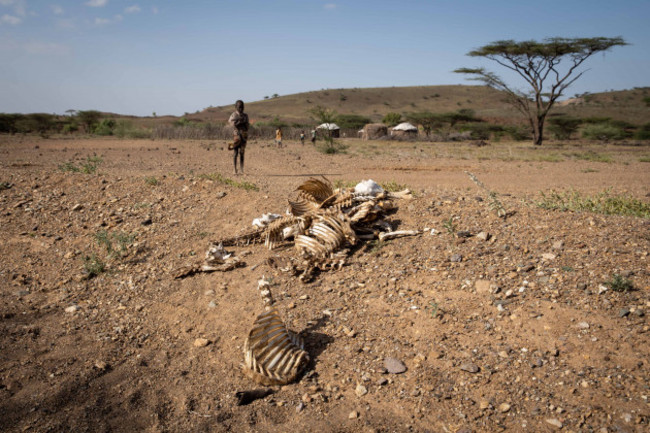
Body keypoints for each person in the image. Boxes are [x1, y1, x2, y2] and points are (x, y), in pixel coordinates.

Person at [228, 100, 249, 174]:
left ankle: (242, 169)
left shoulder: (245, 115)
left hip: (244, 135)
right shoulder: (233, 115)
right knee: (235, 152)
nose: (241, 108)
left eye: (242, 107)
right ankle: (234, 169)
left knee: (242, 152)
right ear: (236, 107)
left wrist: (241, 123)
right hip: (236, 135)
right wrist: (240, 122)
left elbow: (247, 126)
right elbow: (231, 124)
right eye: (239, 107)